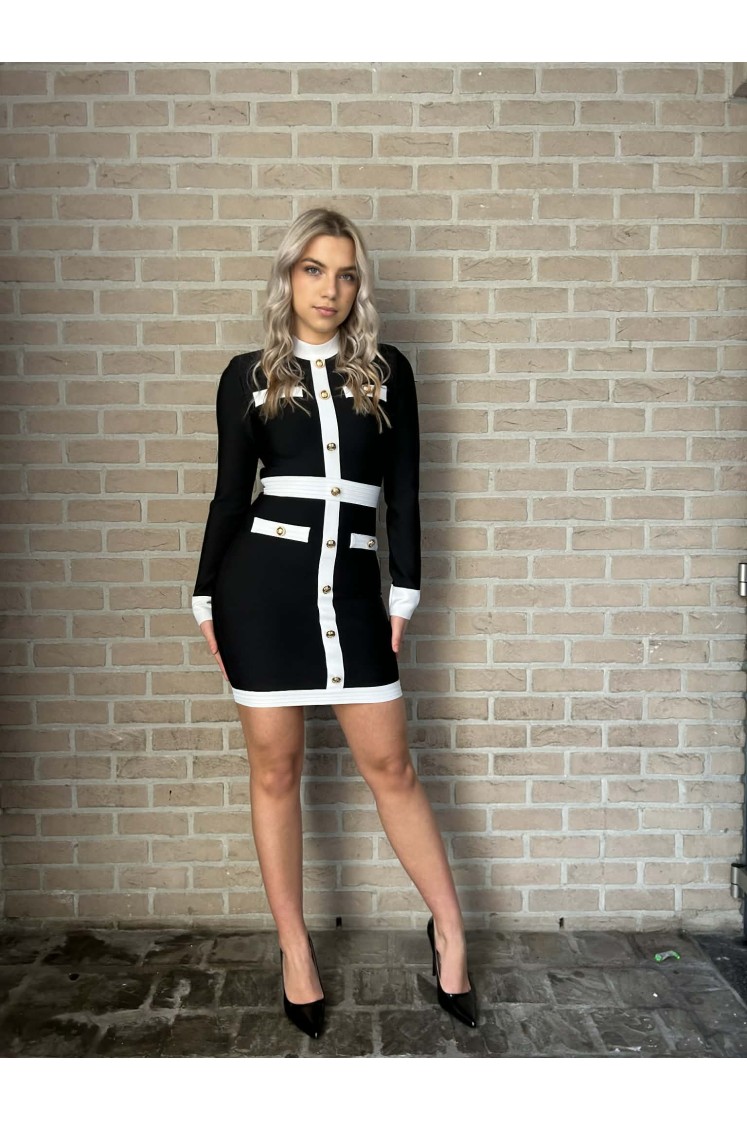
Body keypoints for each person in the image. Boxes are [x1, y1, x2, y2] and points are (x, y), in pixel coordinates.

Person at [191, 207, 477, 1039]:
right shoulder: (246, 376)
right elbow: (228, 494)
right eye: (313, 269)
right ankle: (295, 949)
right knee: (275, 772)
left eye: (346, 273)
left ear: (359, 286)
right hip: (260, 592)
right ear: (288, 276)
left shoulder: (387, 371)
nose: (330, 288)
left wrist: (403, 593)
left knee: (392, 766)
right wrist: (204, 597)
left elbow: (405, 492)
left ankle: (450, 930)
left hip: (351, 592)